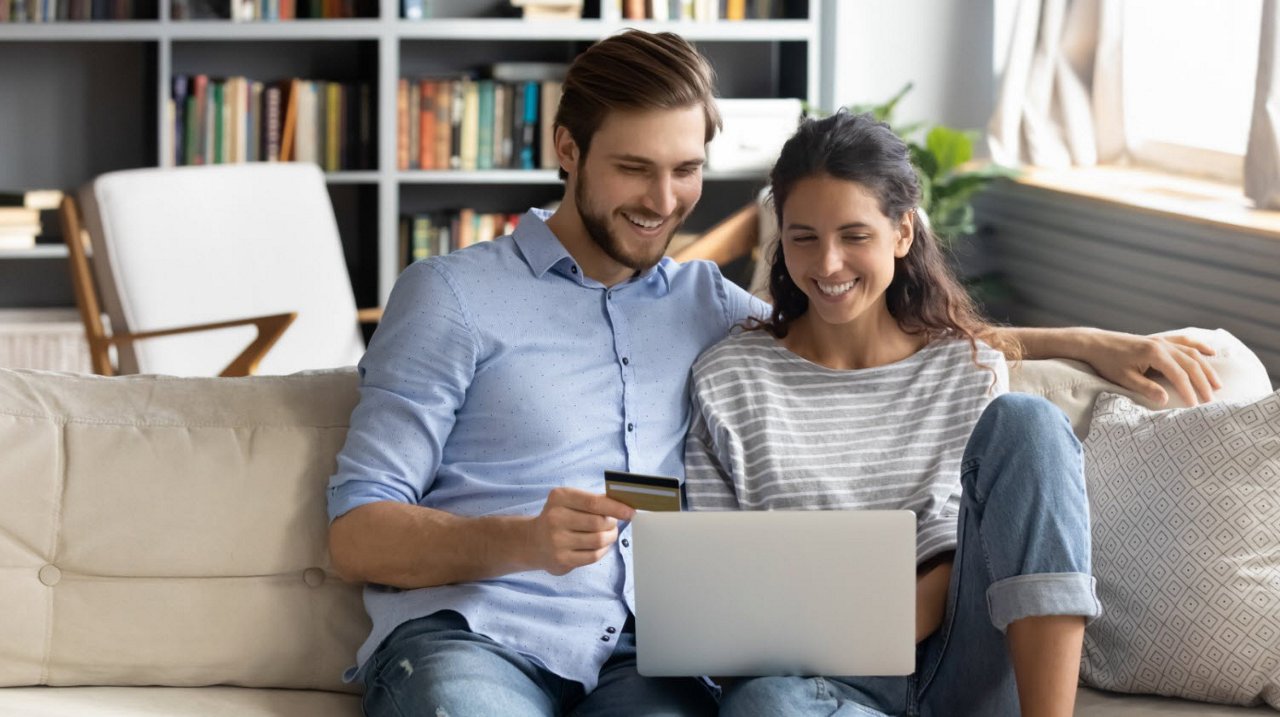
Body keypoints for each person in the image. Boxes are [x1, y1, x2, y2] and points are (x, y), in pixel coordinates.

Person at [326, 29, 1220, 717]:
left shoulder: (705, 305)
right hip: (479, 639)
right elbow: (356, 534)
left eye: (685, 170)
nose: (664, 201)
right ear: (568, 150)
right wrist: (516, 539)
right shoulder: (450, 295)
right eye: (634, 168)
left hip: (642, 661)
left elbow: (873, 325)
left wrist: (1085, 342)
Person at [683, 110, 1101, 717]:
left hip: (965, 659)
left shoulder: (967, 366)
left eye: (854, 236)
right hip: (812, 683)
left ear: (902, 233)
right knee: (763, 706)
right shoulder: (727, 379)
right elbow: (715, 601)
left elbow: (975, 548)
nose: (828, 264)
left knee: (1029, 423)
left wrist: (885, 617)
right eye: (804, 237)